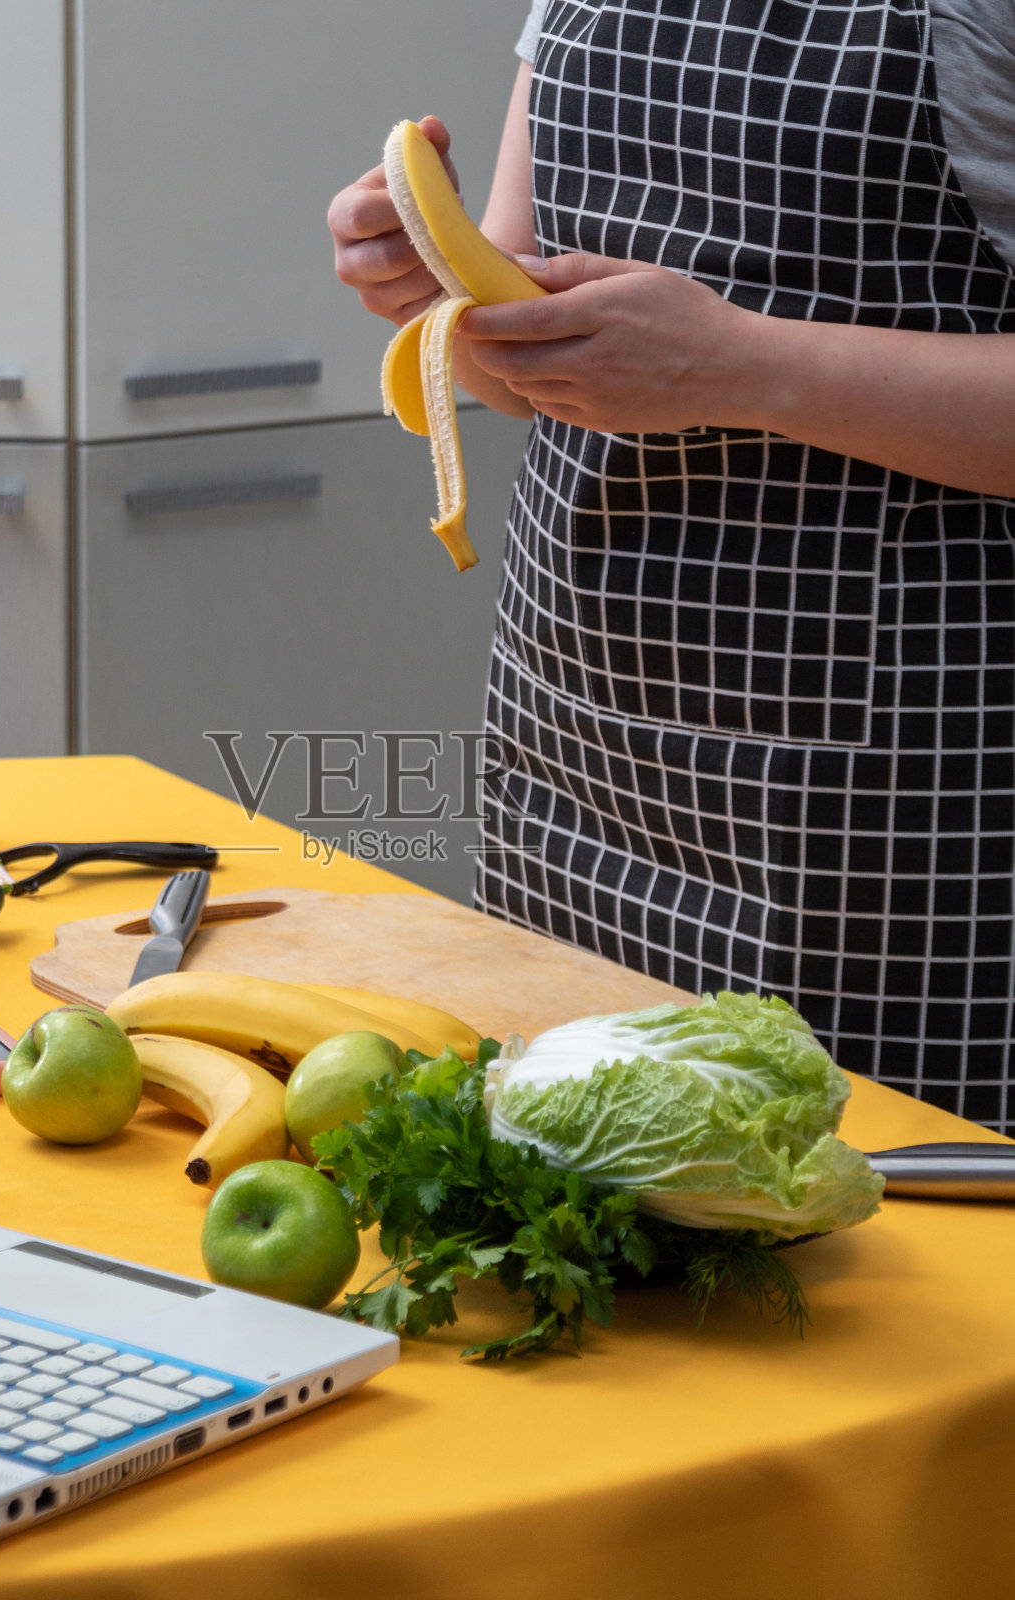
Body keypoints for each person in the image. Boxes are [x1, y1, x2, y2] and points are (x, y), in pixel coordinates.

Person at [327, 0, 1015, 1131]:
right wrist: (433, 292)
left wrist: (744, 366)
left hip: (888, 806)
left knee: (872, 1262)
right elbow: (523, 342)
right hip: (572, 754)